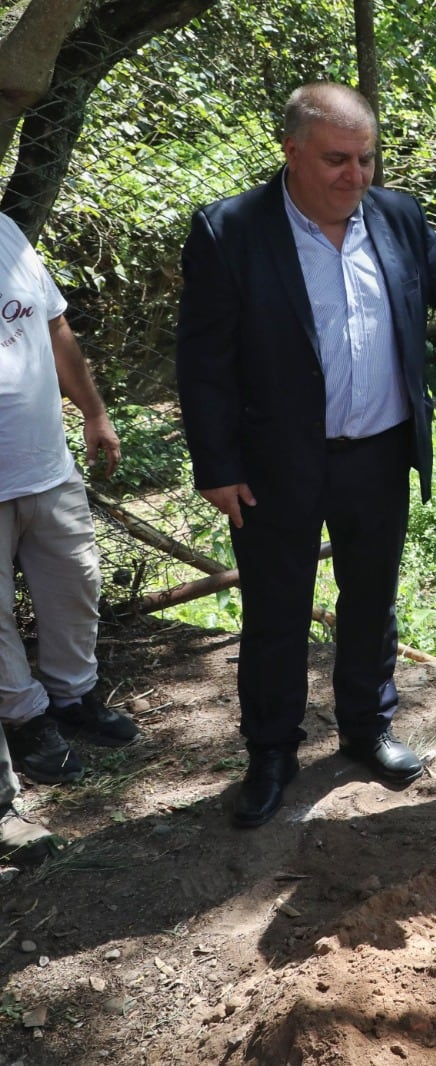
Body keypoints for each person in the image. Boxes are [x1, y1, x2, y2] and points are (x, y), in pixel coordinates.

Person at [175, 82, 436, 829]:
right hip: (275, 462)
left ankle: (367, 731)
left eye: (366, 158)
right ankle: (271, 752)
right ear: (292, 151)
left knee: (371, 598)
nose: (356, 175)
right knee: (276, 609)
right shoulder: (231, 231)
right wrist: (216, 465)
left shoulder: (396, 218)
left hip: (378, 453)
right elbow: (203, 361)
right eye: (337, 159)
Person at [2, 211, 139, 862]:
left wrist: (95, 412)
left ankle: (73, 695)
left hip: (46, 463)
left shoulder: (7, 231)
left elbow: (54, 326)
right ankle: (27, 720)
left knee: (76, 582)